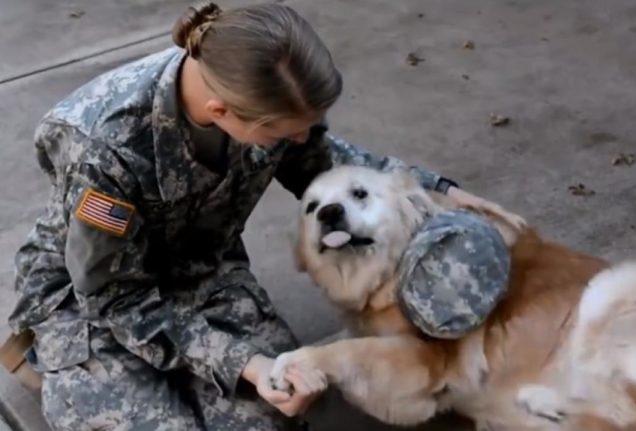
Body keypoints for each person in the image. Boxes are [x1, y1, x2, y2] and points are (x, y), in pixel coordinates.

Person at [7, 2, 507, 430]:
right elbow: (114, 296)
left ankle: (168, 376)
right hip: (94, 301)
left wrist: (438, 191)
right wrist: (243, 362)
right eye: (281, 136)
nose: (295, 141)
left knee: (272, 413)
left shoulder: (268, 98)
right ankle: (48, 360)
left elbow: (323, 157)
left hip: (203, 273)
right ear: (221, 111)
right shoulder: (104, 146)